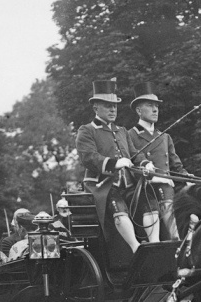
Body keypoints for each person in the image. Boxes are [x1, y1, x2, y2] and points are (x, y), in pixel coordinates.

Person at [75, 78, 157, 253]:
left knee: (149, 199)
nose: (113, 109)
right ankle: (136, 249)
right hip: (103, 186)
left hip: (128, 185)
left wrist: (145, 163)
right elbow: (88, 157)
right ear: (96, 107)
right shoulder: (87, 130)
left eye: (115, 106)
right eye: (107, 105)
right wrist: (114, 163)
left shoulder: (122, 131)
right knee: (116, 204)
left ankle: (155, 245)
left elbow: (135, 154)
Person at [127, 82, 192, 241]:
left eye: (156, 106)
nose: (155, 110)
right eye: (150, 106)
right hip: (144, 188)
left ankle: (181, 242)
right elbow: (133, 159)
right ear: (139, 110)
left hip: (166, 189)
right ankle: (156, 245)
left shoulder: (164, 137)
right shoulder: (130, 135)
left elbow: (176, 166)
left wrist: (187, 178)